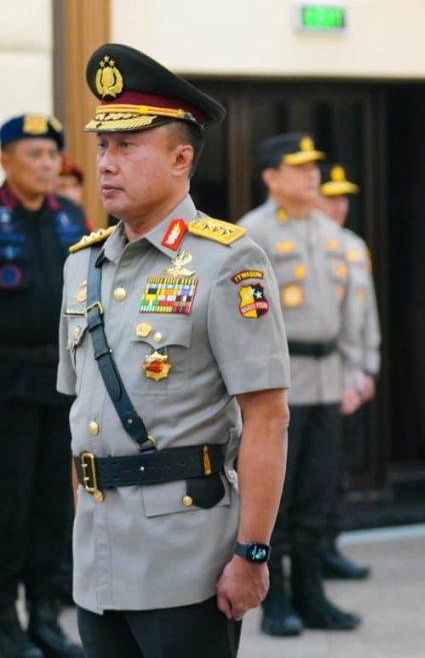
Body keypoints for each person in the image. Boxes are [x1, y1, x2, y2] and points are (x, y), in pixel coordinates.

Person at [57, 43, 291, 658]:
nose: (107, 163)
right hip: (97, 559)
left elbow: (267, 418)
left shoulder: (227, 260)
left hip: (187, 559)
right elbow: (77, 418)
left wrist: (252, 552)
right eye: (103, 146)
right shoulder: (82, 265)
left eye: (127, 145)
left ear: (181, 158)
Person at [239, 135, 363, 636]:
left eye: (315, 166)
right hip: (280, 384)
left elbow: (350, 311)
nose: (312, 175)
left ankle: (313, 597)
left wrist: (355, 371)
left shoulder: (331, 233)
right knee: (280, 498)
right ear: (271, 176)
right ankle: (276, 602)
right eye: (299, 167)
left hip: (327, 378)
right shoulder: (253, 233)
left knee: (316, 494)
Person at [0, 114, 88, 658]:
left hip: (61, 383)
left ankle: (45, 619)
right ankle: (5, 623)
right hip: (6, 386)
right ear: (6, 160)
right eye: (34, 154)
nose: (46, 164)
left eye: (52, 154)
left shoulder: (71, 217)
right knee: (8, 507)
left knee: (54, 507)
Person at [317, 164, 379, 581]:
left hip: (353, 376)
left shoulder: (355, 246)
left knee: (338, 471)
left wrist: (369, 368)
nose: (339, 205)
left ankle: (328, 545)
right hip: (317, 379)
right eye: (330, 196)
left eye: (343, 197)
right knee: (313, 474)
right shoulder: (305, 246)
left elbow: (366, 312)